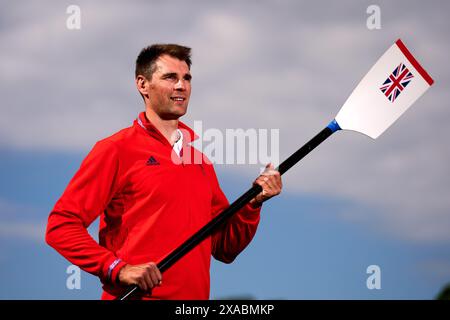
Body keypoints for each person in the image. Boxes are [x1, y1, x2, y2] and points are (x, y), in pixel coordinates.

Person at [45, 44, 282, 300]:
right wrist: (117, 268)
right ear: (143, 84)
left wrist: (253, 203)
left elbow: (225, 248)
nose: (181, 86)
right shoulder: (115, 149)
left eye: (187, 78)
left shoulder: (200, 162)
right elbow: (61, 226)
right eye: (171, 77)